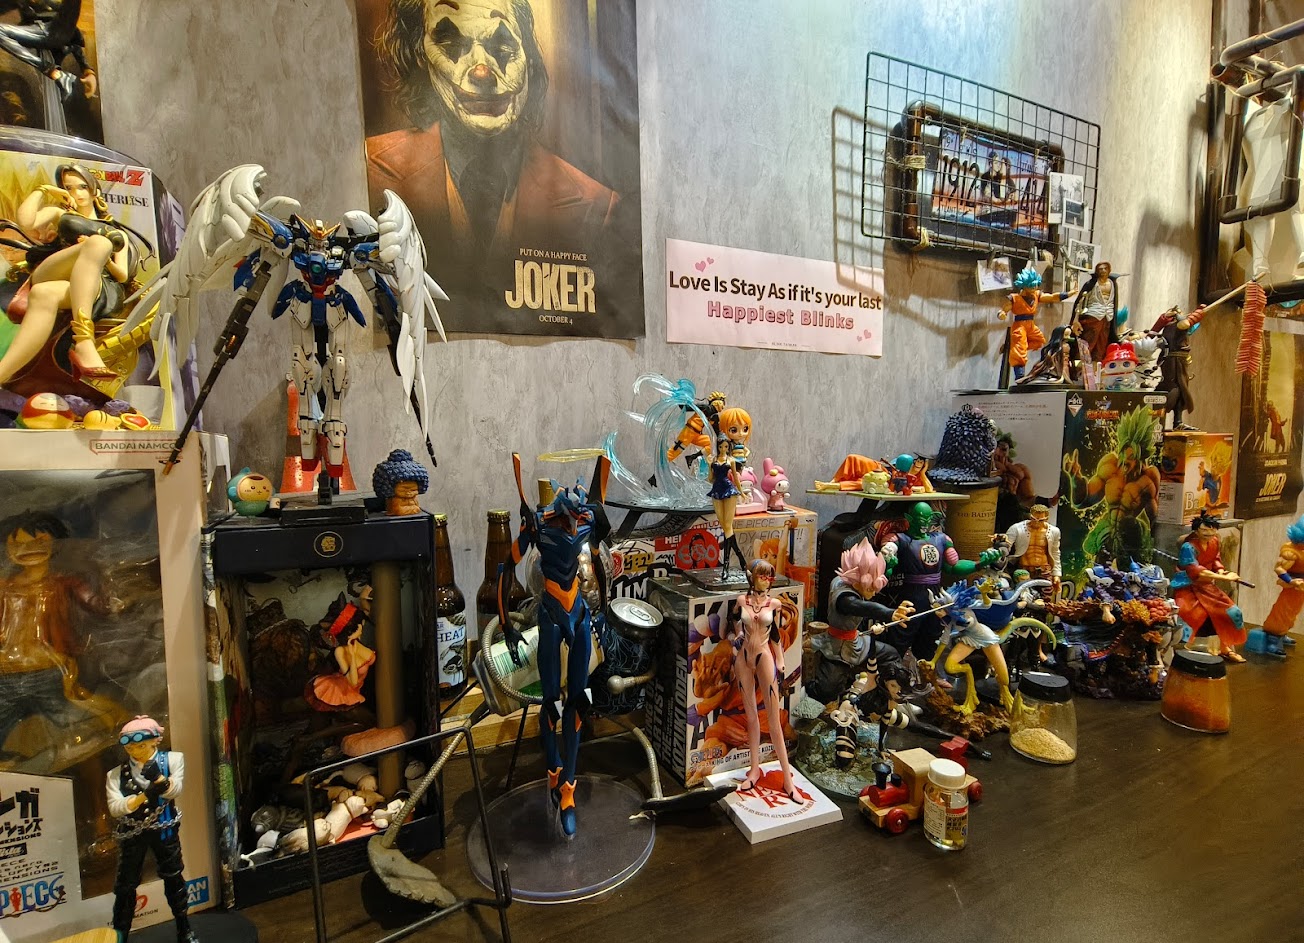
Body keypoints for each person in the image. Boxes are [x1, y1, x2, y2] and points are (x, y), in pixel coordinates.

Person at [367, 0, 618, 270]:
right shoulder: (369, 171)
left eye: (502, 47)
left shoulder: (598, 206)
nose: (481, 72)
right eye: (451, 44)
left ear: (527, 57)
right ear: (421, 55)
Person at [0, 164, 142, 387]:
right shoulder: (61, 215)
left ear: (94, 191)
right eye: (69, 187)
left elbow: (122, 276)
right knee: (98, 243)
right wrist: (45, 190)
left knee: (44, 294)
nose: (76, 192)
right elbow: (26, 222)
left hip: (98, 287)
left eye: (82, 187)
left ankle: (2, 374)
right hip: (55, 270)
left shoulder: (117, 233)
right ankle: (84, 342)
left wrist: (104, 259)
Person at [0, 510, 123, 764]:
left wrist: (116, 589)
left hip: (47, 671)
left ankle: (100, 747)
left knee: (68, 718)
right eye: (17, 544)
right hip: (6, 673)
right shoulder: (4, 587)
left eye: (38, 542)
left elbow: (102, 606)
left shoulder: (64, 584)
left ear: (56, 544)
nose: (27, 550)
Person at [107, 715, 197, 943]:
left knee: (174, 877)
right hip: (131, 833)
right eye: (130, 748)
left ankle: (184, 928)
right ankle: (120, 935)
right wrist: (142, 797)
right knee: (125, 886)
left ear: (155, 741)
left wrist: (159, 778)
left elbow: (175, 790)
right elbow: (115, 807)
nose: (135, 751)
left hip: (164, 829)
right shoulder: (115, 775)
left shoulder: (173, 760)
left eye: (141, 746)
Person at [1062, 405, 1160, 567]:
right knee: (1099, 572)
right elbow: (1083, 501)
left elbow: (1154, 521)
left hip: (1129, 539)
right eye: (1123, 454)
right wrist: (1076, 480)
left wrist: (1148, 550)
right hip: (1106, 532)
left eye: (1131, 457)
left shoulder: (1149, 478)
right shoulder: (1111, 465)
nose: (1124, 461)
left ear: (1140, 457)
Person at [729, 561, 795, 798]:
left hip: (764, 656)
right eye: (762, 576)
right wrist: (737, 633)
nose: (766, 580)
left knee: (774, 721)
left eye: (769, 577)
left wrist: (781, 659)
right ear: (752, 577)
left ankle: (787, 779)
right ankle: (754, 769)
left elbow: (775, 633)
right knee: (751, 717)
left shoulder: (774, 604)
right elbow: (734, 619)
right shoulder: (742, 601)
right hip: (744, 657)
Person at [1173, 511, 1245, 663]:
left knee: (1232, 612)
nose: (1209, 534)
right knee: (1190, 613)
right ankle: (1184, 649)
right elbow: (1196, 571)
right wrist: (1223, 577)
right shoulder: (1188, 547)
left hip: (1207, 587)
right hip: (1188, 586)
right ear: (1196, 530)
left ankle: (1226, 648)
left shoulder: (1214, 542)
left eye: (1212, 530)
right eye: (1204, 530)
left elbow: (1216, 559)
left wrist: (1220, 570)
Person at [0, 0, 96, 103]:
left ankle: (55, 73)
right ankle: (56, 74)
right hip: (40, 34)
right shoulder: (22, 4)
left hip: (54, 32)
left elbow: (71, 32)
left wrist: (87, 70)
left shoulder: (52, 7)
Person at [998, 267, 1074, 382]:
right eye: (1032, 286)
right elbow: (1003, 310)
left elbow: (1052, 297)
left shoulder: (1036, 295)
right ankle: (1020, 377)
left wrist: (1067, 294)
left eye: (1035, 286)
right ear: (1024, 285)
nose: (1034, 288)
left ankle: (1013, 347)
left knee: (1039, 341)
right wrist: (1002, 314)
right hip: (1019, 325)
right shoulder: (1014, 298)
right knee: (1019, 351)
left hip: (1031, 324)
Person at [305, 597, 374, 711]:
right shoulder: (340, 651)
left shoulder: (357, 641)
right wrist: (352, 655)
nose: (360, 626)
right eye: (356, 626)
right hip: (346, 691)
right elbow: (353, 682)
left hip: (366, 686)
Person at [1262, 514, 1304, 658]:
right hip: (1292, 584)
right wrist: (1291, 581)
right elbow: (1279, 569)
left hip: (1300, 587)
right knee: (1283, 610)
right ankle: (1274, 639)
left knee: (1293, 612)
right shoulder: (1290, 552)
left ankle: (1283, 633)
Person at [1069, 261, 1123, 363]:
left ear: (1109, 270)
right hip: (1093, 316)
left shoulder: (1112, 284)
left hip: (1107, 317)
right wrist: (1076, 319)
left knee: (1102, 344)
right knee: (1088, 341)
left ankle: (1096, 366)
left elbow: (1114, 301)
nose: (1103, 271)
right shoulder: (1091, 284)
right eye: (1100, 269)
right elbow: (1080, 301)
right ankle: (1081, 365)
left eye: (1105, 268)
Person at [1005, 504, 1061, 595]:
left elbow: (1055, 553)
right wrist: (1001, 540)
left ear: (1047, 519)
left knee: (1046, 597)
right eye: (1033, 519)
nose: (1036, 522)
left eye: (1041, 520)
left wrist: (1056, 574)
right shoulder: (1017, 528)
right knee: (1024, 595)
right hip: (1024, 569)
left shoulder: (1054, 531)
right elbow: (1006, 544)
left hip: (1044, 569)